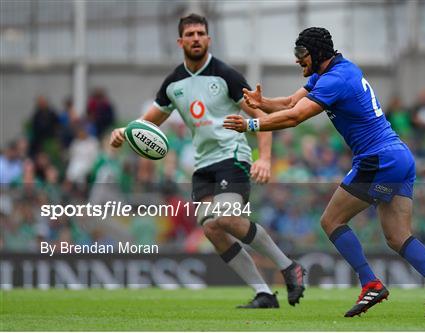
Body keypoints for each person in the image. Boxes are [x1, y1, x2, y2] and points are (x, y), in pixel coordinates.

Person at [224, 27, 425, 317]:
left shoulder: (334, 80)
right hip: (399, 156)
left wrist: (251, 125)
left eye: (301, 53)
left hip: (378, 158)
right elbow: (288, 104)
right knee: (398, 236)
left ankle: (370, 283)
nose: (298, 60)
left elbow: (296, 116)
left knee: (331, 220)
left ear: (317, 52)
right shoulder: (334, 72)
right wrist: (262, 104)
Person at [110, 13, 305, 309]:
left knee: (226, 217)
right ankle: (264, 293)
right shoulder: (173, 83)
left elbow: (262, 117)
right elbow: (150, 122)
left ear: (209, 39)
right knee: (212, 228)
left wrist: (264, 158)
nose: (196, 38)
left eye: (201, 33)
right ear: (180, 41)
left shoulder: (226, 75)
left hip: (233, 156)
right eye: (190, 34)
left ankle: (288, 266)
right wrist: (125, 131)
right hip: (203, 166)